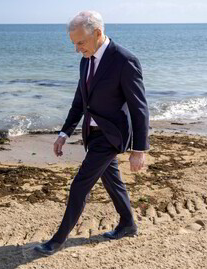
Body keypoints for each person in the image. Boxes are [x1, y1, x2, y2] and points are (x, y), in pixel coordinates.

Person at [34, 11, 149, 256]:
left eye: (80, 42)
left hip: (112, 136)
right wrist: (65, 132)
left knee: (79, 186)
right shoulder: (86, 59)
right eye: (74, 44)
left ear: (97, 33)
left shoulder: (124, 60)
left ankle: (57, 241)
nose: (77, 49)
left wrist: (139, 149)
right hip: (92, 133)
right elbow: (80, 101)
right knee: (112, 181)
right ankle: (128, 223)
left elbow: (139, 107)